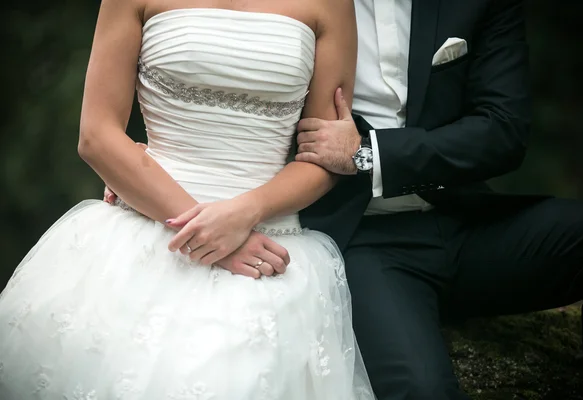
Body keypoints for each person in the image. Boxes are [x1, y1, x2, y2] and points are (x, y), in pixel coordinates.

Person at [107, 0, 583, 398]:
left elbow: (503, 132)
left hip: (466, 219)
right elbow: (216, 73)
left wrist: (370, 153)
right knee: (422, 389)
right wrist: (148, 164)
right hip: (361, 242)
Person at [0, 1, 377, 399]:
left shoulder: (331, 5)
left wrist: (247, 212)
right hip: (145, 234)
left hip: (267, 244)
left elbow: (327, 156)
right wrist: (205, 233)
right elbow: (96, 135)